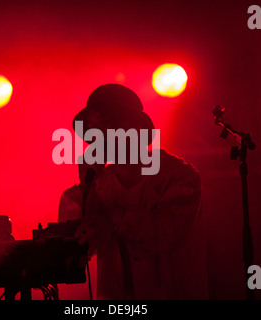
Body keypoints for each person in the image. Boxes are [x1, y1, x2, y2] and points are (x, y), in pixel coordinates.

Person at [58, 84, 208, 299]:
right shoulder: (98, 187)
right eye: (92, 130)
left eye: (105, 125)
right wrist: (84, 187)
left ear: (133, 127)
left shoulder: (179, 177)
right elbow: (72, 248)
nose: (96, 138)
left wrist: (109, 220)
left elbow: (164, 234)